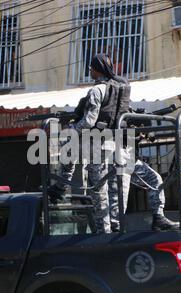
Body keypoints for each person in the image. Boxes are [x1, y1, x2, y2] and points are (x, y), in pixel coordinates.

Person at [48, 53, 130, 234]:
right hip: (116, 144)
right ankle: (116, 228)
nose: (90, 71)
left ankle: (103, 233)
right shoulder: (119, 88)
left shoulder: (96, 91)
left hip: (97, 146)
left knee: (98, 191)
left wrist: (73, 130)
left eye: (91, 68)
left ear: (97, 69)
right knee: (114, 191)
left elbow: (89, 121)